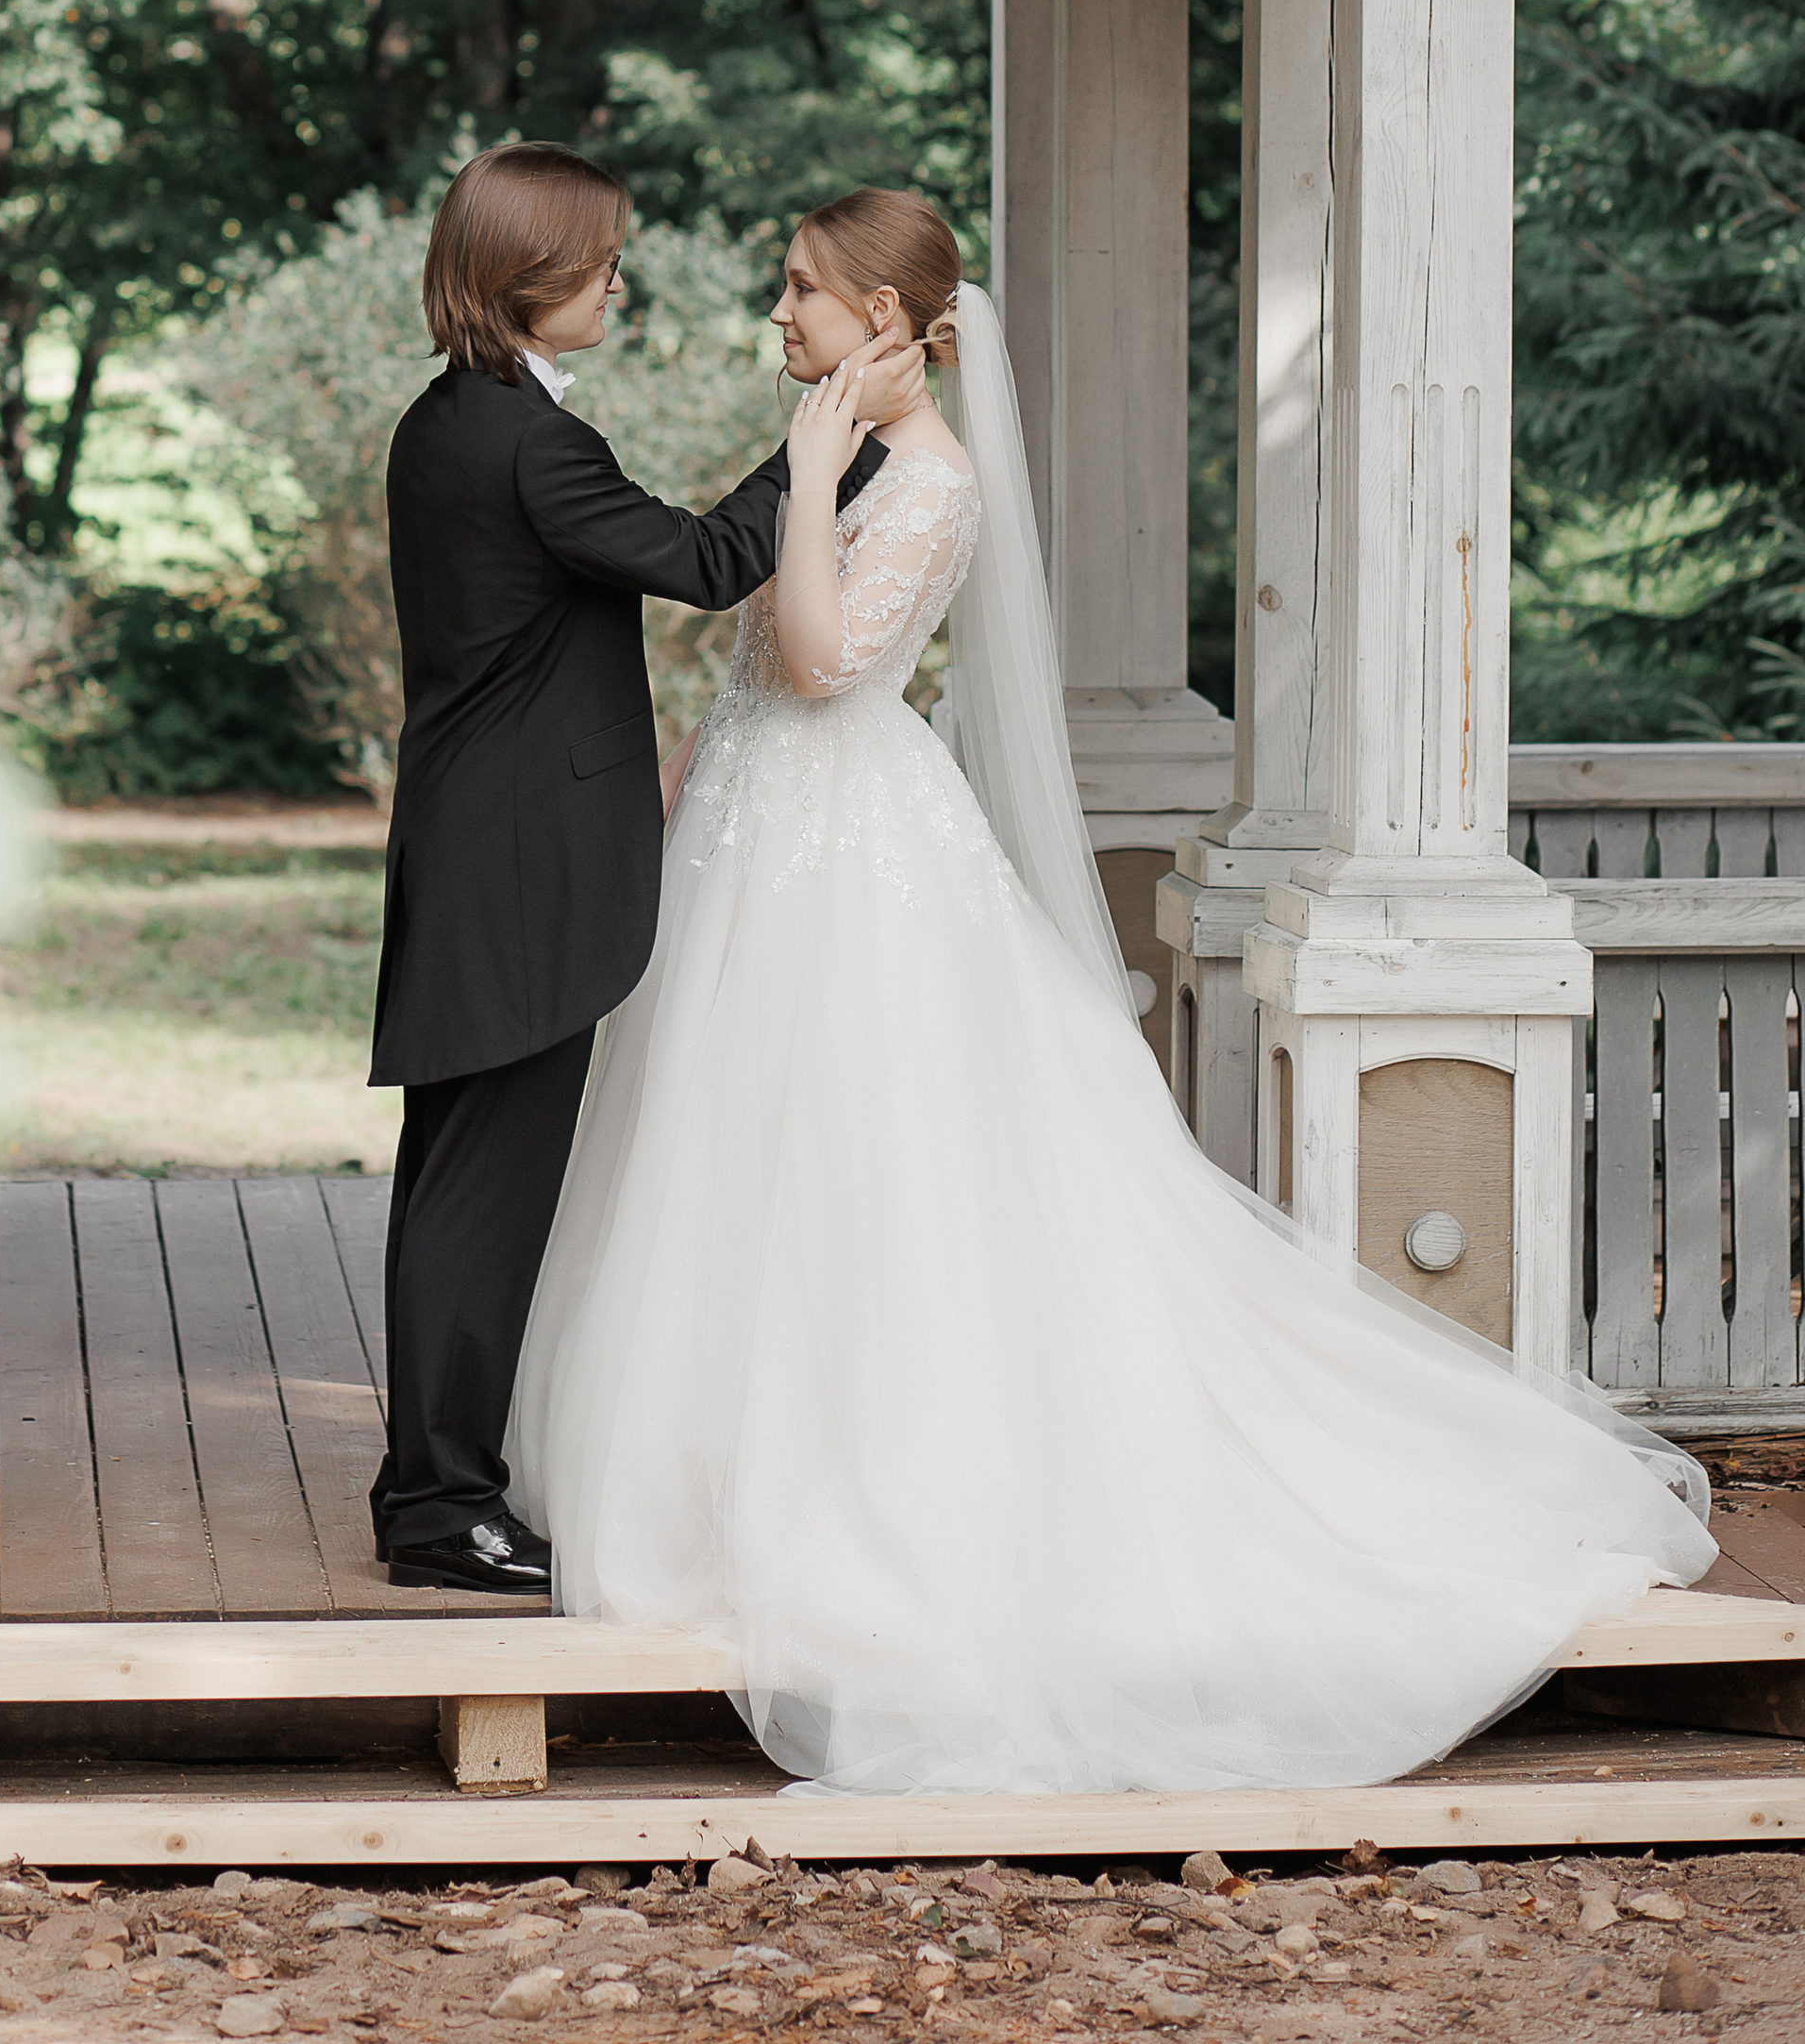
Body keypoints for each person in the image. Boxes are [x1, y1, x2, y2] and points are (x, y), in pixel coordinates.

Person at [509, 186, 1716, 1792]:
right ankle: (710, 1485)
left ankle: (874, 1503)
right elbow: (744, 683)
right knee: (730, 1158)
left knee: (867, 1165)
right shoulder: (844, 455)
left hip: (852, 856)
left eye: (803, 292)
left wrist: (806, 478)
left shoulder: (921, 482)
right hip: (755, 832)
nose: (778, 317)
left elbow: (813, 658)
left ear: (888, 323)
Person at [369, 144, 918, 1596]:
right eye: (603, 258)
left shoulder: (452, 422)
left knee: (452, 1180)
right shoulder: (527, 442)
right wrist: (835, 445)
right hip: (524, 872)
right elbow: (705, 559)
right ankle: (438, 1507)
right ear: (532, 277)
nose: (622, 277)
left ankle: (428, 1485)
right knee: (480, 1192)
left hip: (477, 851)